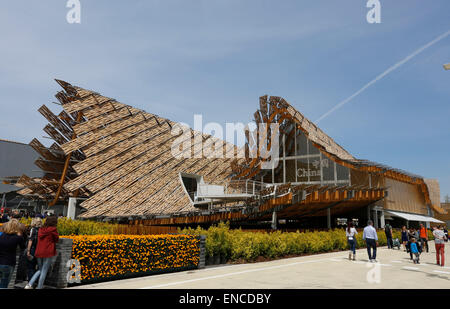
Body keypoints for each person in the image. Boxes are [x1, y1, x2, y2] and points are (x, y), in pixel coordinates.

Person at [25, 216, 59, 289]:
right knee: (44, 270)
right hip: (48, 252)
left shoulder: (41, 229)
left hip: (39, 251)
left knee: (40, 269)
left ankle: (29, 284)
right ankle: (39, 287)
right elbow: (56, 239)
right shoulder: (53, 229)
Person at [0, 219, 25, 288]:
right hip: (9, 262)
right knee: (4, 284)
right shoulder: (18, 238)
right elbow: (23, 247)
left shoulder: (1, 235)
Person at [26, 217, 43, 283]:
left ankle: (30, 282)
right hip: (40, 250)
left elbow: (31, 240)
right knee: (39, 267)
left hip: (33, 249)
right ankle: (36, 281)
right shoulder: (42, 230)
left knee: (31, 267)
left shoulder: (33, 229)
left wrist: (28, 250)